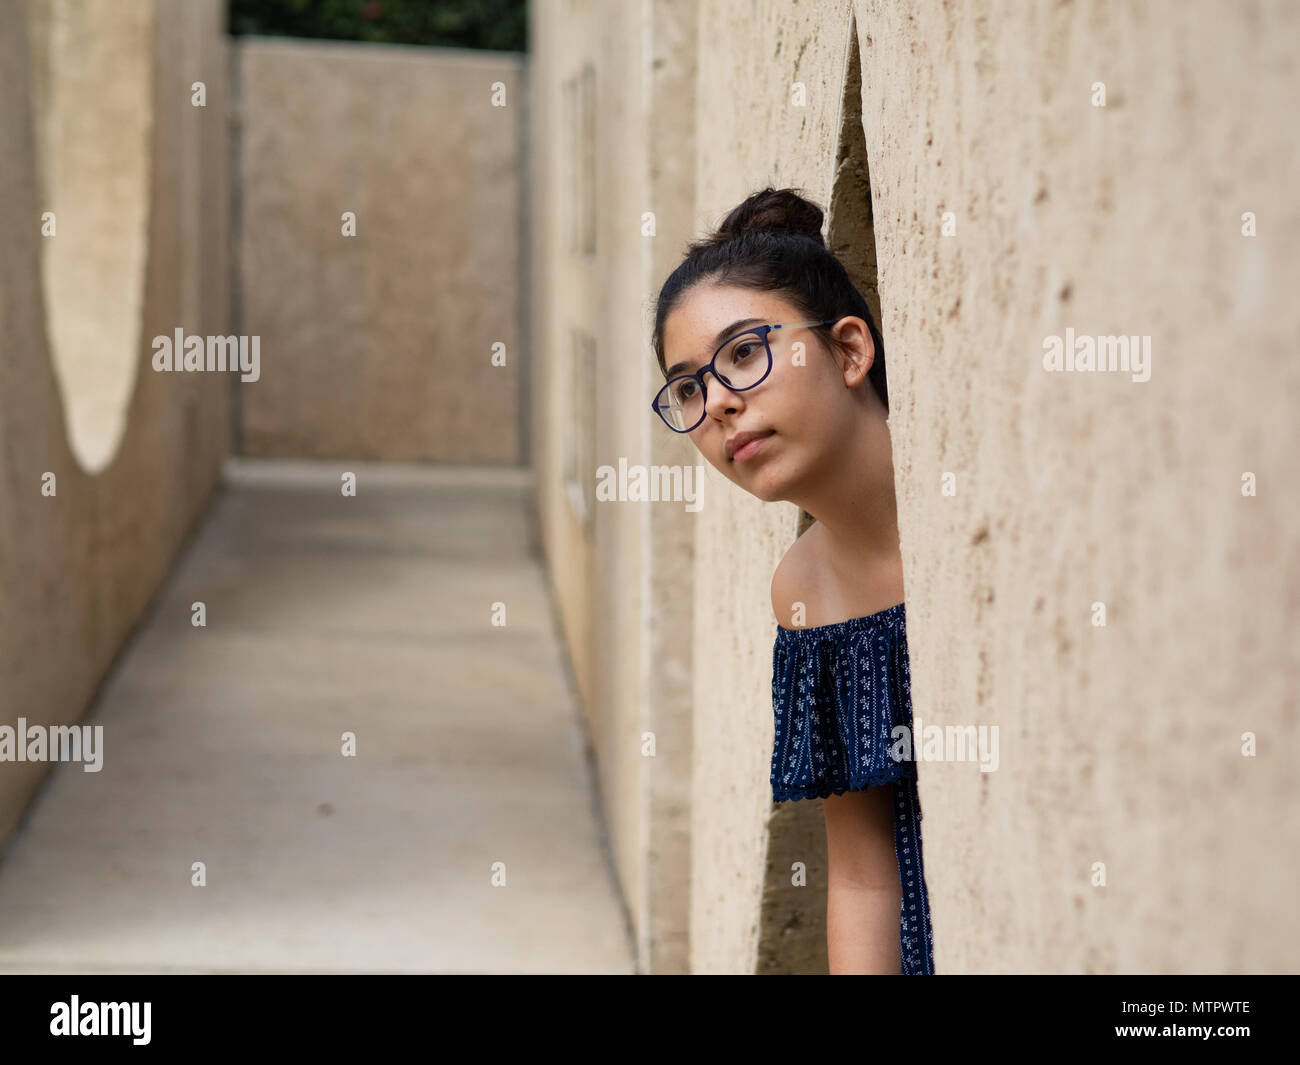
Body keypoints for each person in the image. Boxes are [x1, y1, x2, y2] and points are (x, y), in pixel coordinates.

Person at [649, 186, 936, 974]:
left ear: (849, 351)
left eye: (745, 351)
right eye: (688, 388)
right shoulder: (804, 593)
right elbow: (862, 873)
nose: (720, 404)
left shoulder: (969, 509)